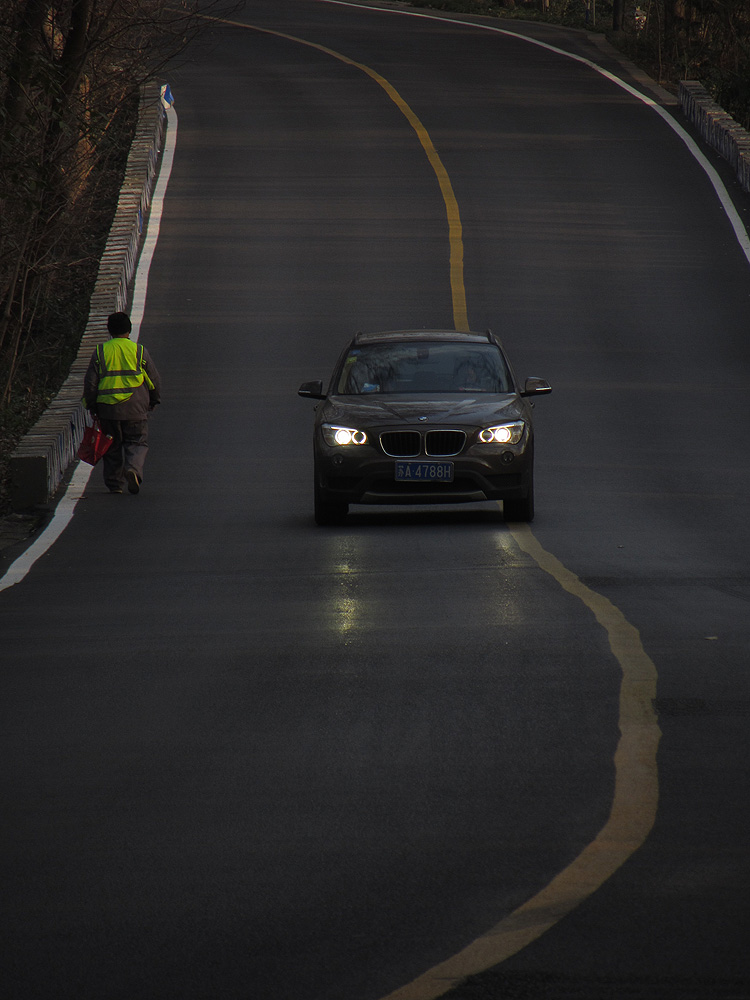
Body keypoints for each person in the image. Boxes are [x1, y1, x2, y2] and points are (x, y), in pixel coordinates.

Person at [83, 311, 161, 494]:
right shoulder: (139, 351)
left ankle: (115, 484)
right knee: (137, 441)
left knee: (111, 445)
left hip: (108, 409)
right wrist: (154, 399)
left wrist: (92, 406)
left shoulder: (101, 352)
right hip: (136, 407)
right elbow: (154, 379)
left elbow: (91, 383)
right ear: (129, 329)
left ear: (109, 330)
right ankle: (133, 469)